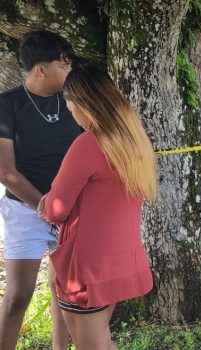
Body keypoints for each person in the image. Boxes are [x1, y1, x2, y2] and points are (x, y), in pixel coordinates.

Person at [39, 62, 157, 349]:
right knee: (101, 341)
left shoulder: (88, 144)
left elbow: (56, 210)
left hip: (86, 268)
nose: (73, 115)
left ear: (81, 103)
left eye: (71, 107)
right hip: (120, 262)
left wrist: (45, 202)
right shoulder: (134, 142)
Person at [0, 30, 78, 350]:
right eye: (64, 66)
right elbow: (6, 171)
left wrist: (62, 208)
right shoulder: (7, 104)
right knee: (18, 295)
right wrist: (47, 206)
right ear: (41, 69)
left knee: (65, 288)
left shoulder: (75, 102)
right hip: (24, 208)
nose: (69, 71)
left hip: (72, 209)